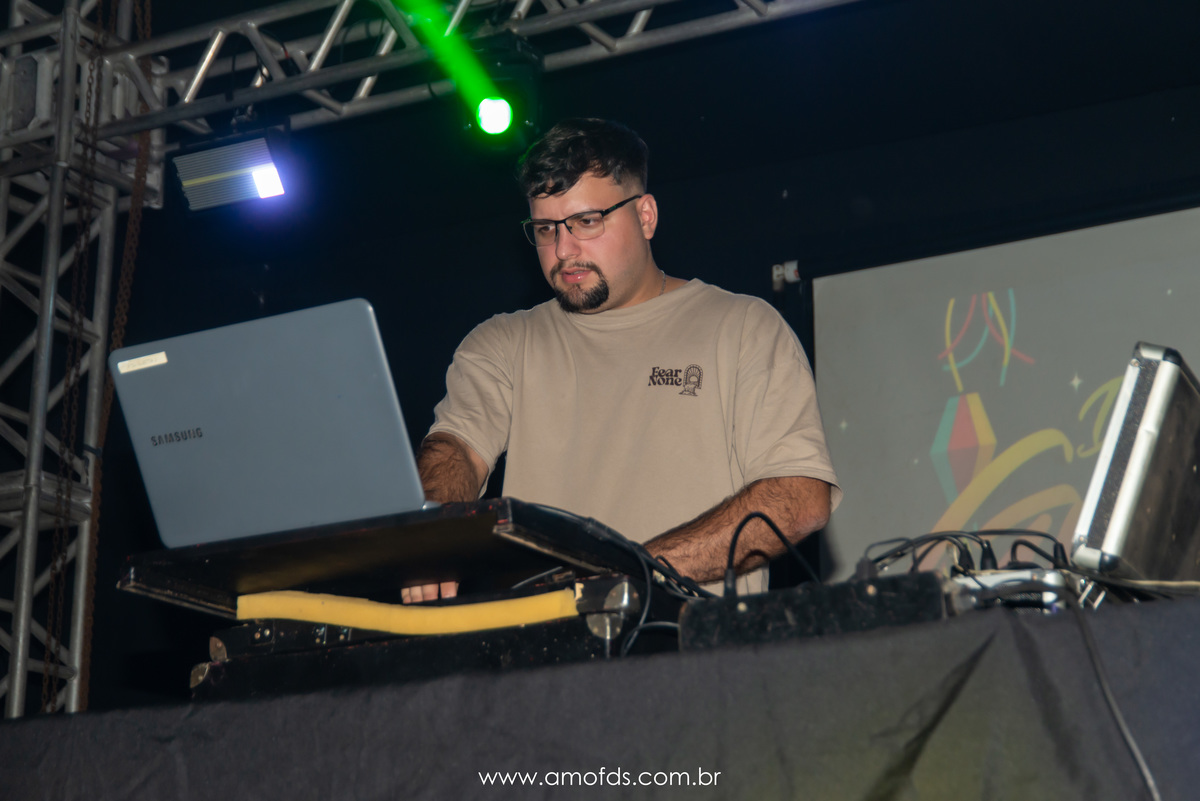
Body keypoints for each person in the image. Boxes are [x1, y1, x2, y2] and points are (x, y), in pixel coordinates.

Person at [406, 118, 841, 603]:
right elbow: (456, 452)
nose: (563, 249)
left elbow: (799, 496)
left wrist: (628, 574)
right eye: (546, 229)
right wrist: (430, 531)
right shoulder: (503, 343)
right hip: (543, 643)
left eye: (586, 222)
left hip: (691, 642)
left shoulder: (742, 328)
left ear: (646, 216)